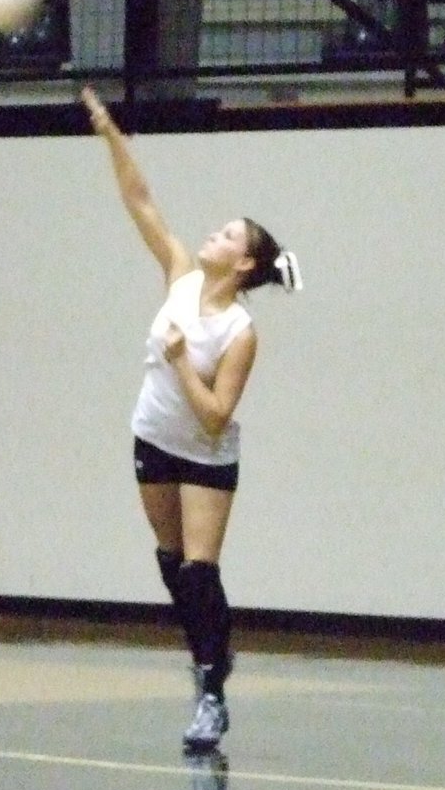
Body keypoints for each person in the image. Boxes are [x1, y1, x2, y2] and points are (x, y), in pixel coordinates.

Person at [81, 86, 301, 751]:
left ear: (243, 264)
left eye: (229, 234)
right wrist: (109, 132)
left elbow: (212, 419)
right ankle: (210, 650)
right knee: (171, 563)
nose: (214, 232)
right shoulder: (178, 275)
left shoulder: (240, 330)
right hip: (150, 437)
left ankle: (211, 689)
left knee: (200, 570)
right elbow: (139, 201)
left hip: (203, 456)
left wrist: (180, 361)